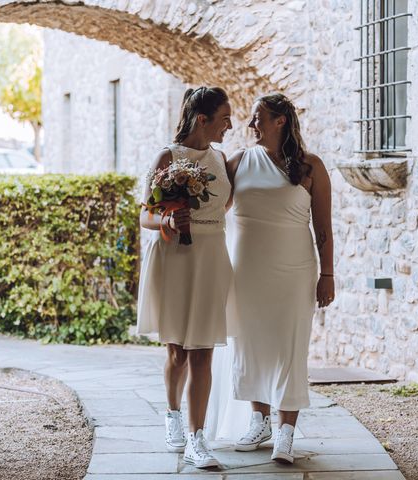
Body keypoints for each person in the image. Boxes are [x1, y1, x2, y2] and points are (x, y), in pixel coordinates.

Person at [225, 93, 335, 464]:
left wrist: (328, 274)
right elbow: (211, 210)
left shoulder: (311, 167)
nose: (251, 125)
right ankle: (259, 421)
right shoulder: (238, 161)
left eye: (258, 118)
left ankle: (286, 431)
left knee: (290, 345)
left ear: (280, 121)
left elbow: (324, 229)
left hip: (294, 270)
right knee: (251, 342)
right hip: (246, 270)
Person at [136, 86, 233, 469]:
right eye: (225, 117)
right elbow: (145, 214)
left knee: (203, 350)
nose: (230, 124)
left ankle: (197, 438)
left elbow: (226, 203)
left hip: (211, 257)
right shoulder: (167, 156)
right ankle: (172, 413)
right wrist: (168, 219)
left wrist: (209, 223)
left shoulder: (222, 158)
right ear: (202, 119)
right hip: (175, 258)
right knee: (177, 351)